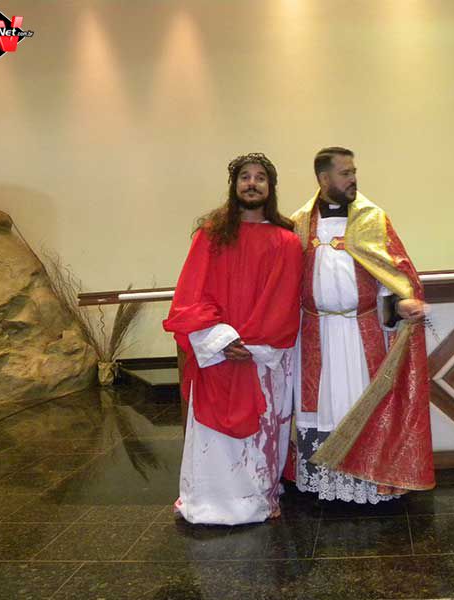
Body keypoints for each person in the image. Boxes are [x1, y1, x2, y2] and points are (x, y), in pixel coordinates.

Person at [288, 146, 435, 504]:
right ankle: (323, 485)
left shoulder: (373, 219)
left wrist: (401, 303)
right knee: (320, 408)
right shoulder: (298, 224)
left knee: (364, 404)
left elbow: (390, 277)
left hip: (362, 332)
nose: (353, 179)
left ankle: (370, 483)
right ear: (323, 178)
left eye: (354, 172)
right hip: (315, 334)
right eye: (345, 173)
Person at [163, 153, 303, 524]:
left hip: (261, 356)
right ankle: (207, 501)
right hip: (217, 351)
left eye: (260, 177)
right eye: (245, 177)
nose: (252, 183)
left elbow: (285, 303)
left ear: (270, 188)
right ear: (234, 185)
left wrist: (252, 345)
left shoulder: (287, 242)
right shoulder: (211, 236)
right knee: (214, 440)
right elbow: (191, 294)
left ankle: (258, 498)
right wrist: (222, 339)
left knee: (263, 433)